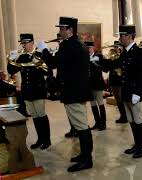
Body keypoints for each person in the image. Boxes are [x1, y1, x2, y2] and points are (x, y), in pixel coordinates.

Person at [40, 17, 93, 172]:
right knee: (80, 124)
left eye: (62, 29)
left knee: (82, 126)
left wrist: (43, 49)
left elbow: (52, 63)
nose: (60, 31)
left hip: (74, 92)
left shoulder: (69, 46)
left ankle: (87, 160)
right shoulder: (76, 44)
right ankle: (84, 155)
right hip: (77, 91)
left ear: (70, 30)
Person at [7, 33, 51, 150]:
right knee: (35, 117)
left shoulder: (39, 54)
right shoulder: (22, 56)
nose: (23, 45)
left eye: (25, 43)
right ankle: (40, 139)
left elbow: (48, 72)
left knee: (41, 115)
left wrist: (39, 63)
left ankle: (47, 140)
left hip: (38, 90)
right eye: (22, 43)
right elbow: (11, 70)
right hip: (27, 91)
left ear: (32, 42)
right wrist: (10, 60)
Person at [117, 25, 142, 158]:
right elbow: (116, 65)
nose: (120, 38)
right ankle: (137, 144)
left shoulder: (139, 52)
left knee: (138, 120)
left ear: (130, 36)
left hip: (135, 93)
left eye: (122, 35)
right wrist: (99, 61)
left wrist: (138, 93)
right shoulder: (124, 52)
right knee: (131, 120)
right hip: (126, 92)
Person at [85, 41, 107, 131]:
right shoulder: (85, 58)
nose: (88, 50)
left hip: (98, 84)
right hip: (89, 85)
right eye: (87, 48)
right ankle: (97, 122)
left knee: (100, 104)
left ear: (93, 48)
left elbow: (103, 64)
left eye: (90, 48)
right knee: (93, 105)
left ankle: (103, 123)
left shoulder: (99, 56)